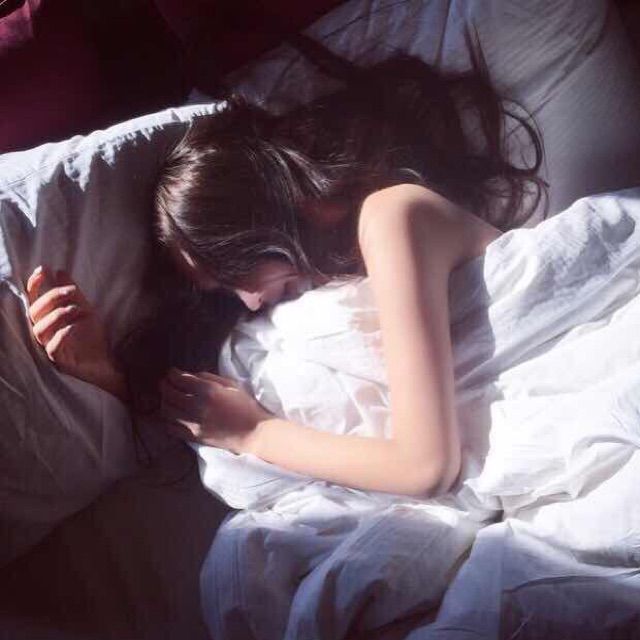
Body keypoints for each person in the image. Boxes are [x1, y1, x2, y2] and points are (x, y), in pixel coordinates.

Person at [25, 48, 546, 498]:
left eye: (234, 270)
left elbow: (426, 468)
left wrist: (254, 433)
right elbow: (185, 418)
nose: (250, 302)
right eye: (224, 292)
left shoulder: (393, 216)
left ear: (259, 214)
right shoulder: (323, 288)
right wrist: (107, 377)